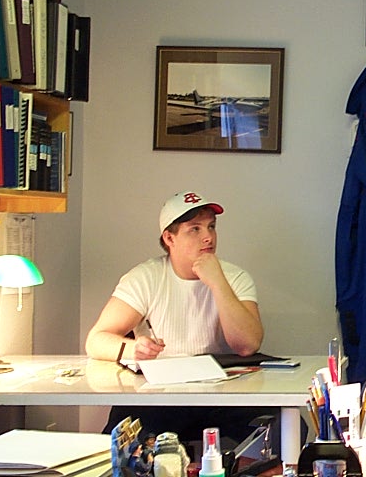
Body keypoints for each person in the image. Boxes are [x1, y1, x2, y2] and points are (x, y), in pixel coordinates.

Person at [86, 190, 271, 449]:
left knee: (280, 428)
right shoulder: (146, 277)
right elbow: (96, 340)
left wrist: (217, 282)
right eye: (194, 229)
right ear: (169, 238)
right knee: (121, 438)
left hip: (224, 393)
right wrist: (133, 348)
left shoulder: (234, 277)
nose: (208, 237)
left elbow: (247, 345)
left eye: (211, 227)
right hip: (161, 395)